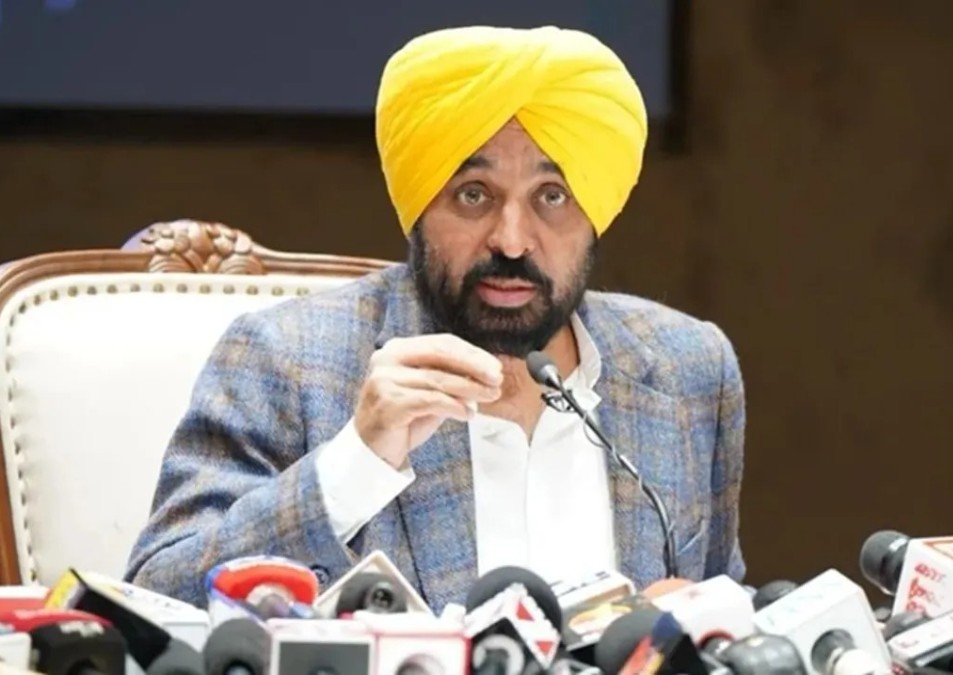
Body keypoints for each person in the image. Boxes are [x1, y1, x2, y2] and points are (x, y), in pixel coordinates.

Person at [124, 24, 746, 611]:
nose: (511, 240)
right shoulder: (284, 357)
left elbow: (724, 612)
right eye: (473, 195)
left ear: (595, 213)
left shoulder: (688, 370)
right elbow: (158, 600)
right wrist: (356, 463)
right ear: (420, 206)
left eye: (552, 197)